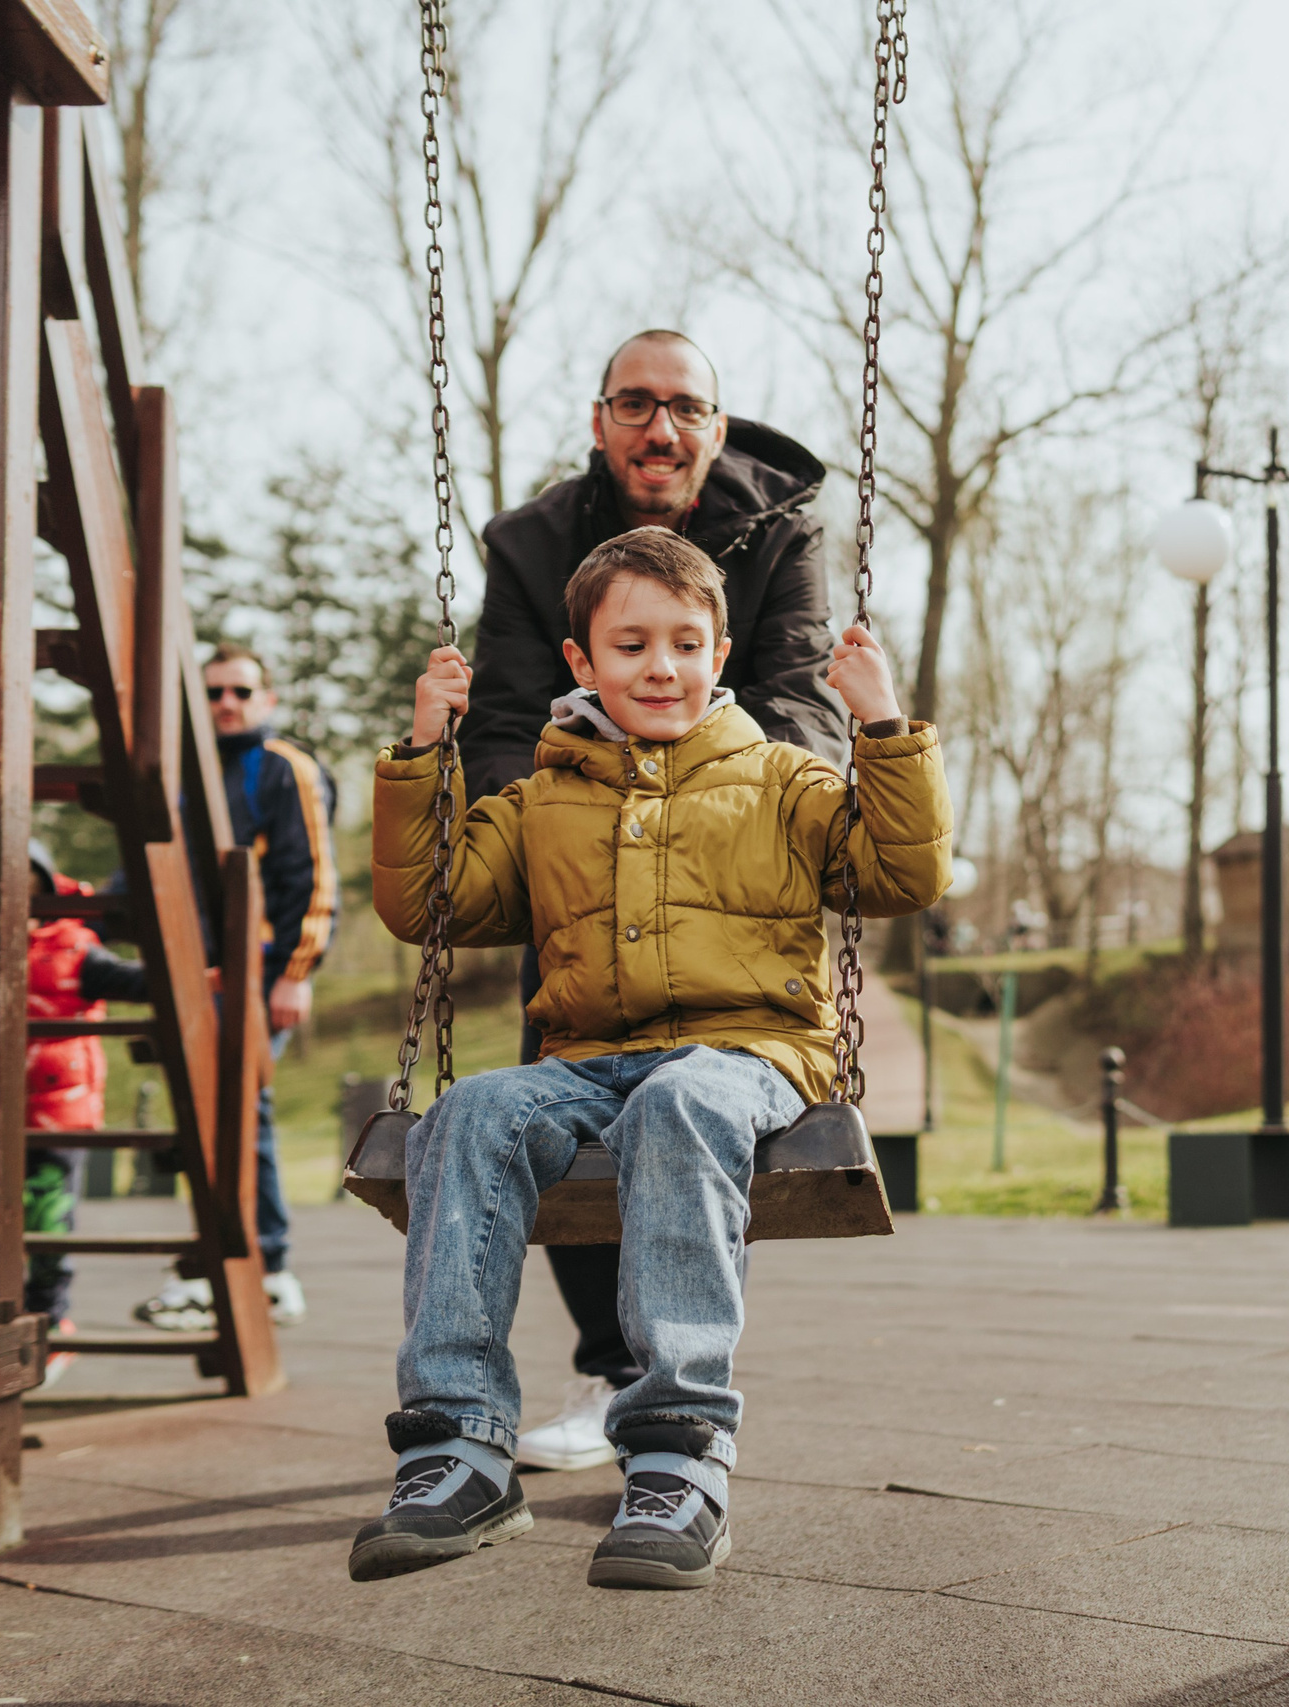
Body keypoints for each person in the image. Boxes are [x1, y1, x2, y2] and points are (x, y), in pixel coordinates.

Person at [351, 527, 948, 1589]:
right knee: (472, 1112)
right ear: (581, 662)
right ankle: (458, 1445)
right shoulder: (540, 799)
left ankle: (678, 1449)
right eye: (630, 645)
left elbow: (899, 876)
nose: (660, 667)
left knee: (681, 1102)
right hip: (588, 1056)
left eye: (684, 642)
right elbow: (430, 905)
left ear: (721, 653)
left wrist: (883, 725)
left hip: (751, 1049)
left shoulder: (785, 780)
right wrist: (419, 755)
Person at [466, 328, 851, 1472]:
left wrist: (758, 818)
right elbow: (501, 717)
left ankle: (674, 1379)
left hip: (730, 844)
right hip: (580, 842)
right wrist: (534, 837)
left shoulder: (779, 527)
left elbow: (798, 686)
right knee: (557, 1083)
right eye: (634, 406)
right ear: (600, 424)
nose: (660, 429)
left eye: (684, 407)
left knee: (694, 1101)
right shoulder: (534, 546)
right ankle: (612, 1370)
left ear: (716, 428)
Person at [133, 644, 338, 1331]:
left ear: (267, 700)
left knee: (240, 1108)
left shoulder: (284, 767)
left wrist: (294, 973)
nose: (226, 703)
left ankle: (265, 1264)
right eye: (214, 691)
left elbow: (310, 873)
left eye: (241, 692)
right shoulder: (185, 774)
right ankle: (215, 1262)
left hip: (257, 976)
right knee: (205, 1116)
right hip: (193, 975)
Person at [25, 844, 149, 1377]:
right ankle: (12, 1317)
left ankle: (52, 1323)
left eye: (34, 891)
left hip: (56, 1111)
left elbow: (137, 981)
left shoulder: (74, 948)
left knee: (50, 1220)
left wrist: (209, 973)